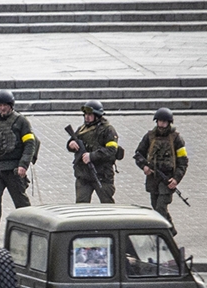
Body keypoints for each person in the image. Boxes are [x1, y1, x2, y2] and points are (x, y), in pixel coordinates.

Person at [0, 90, 35, 241]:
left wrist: (23, 165)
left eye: (4, 105)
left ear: (11, 106)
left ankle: (31, 228)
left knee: (21, 202)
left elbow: (30, 144)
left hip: (13, 169)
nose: (1, 108)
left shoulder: (21, 122)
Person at [133, 107, 188, 235]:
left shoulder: (176, 139)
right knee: (155, 206)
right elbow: (138, 154)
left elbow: (183, 161)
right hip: (153, 178)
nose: (162, 124)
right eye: (160, 122)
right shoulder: (149, 136)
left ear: (169, 123)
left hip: (167, 178)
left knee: (160, 208)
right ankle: (171, 230)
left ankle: (165, 234)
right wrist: (144, 167)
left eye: (164, 122)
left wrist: (176, 179)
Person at [66, 100, 122, 203]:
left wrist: (91, 156)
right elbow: (73, 140)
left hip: (102, 175)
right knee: (81, 204)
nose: (87, 117)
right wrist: (71, 144)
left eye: (90, 114)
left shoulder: (108, 130)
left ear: (97, 115)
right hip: (84, 175)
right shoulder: (82, 129)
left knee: (107, 204)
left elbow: (111, 150)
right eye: (85, 114)